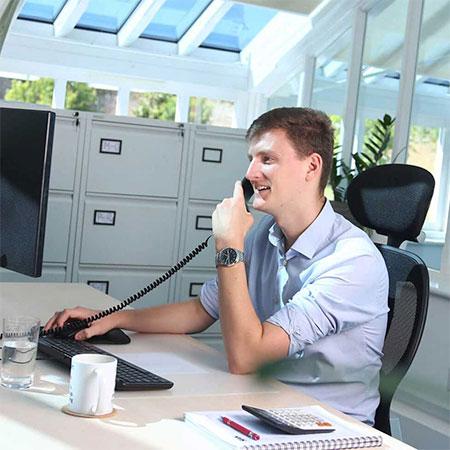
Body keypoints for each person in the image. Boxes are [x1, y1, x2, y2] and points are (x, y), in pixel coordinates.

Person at [45, 107, 388, 425]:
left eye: (267, 159)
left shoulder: (352, 261)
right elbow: (202, 309)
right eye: (251, 159)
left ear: (311, 167)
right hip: (264, 401)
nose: (250, 174)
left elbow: (247, 357)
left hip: (327, 424)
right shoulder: (267, 233)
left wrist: (228, 244)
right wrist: (117, 318)